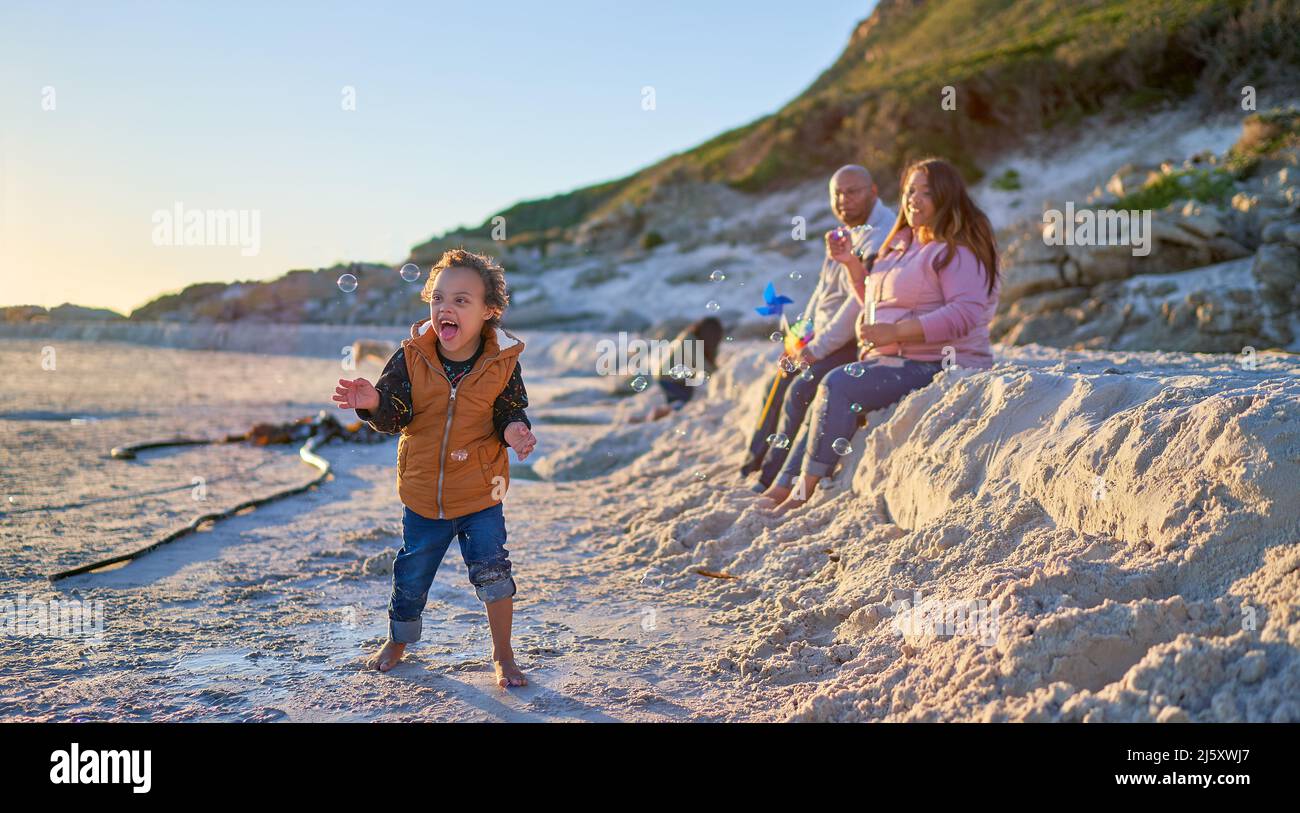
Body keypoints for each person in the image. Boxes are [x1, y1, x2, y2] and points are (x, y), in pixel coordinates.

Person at [332, 248, 537, 688]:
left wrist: (516, 430)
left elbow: (509, 412)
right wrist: (372, 402)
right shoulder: (411, 357)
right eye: (439, 298)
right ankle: (399, 640)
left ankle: (503, 654)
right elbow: (395, 414)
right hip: (424, 495)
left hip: (482, 493)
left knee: (494, 571)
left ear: (489, 312)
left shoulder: (503, 365)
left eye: (462, 301)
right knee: (411, 574)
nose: (447, 308)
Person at [757, 157, 1002, 515]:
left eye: (926, 192)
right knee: (823, 388)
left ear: (947, 197)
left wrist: (896, 331)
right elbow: (872, 300)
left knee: (838, 384)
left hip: (939, 361)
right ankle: (783, 483)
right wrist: (852, 266)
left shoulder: (955, 247)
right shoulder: (902, 243)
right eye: (909, 191)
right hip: (893, 356)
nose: (913, 199)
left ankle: (802, 492)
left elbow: (966, 314)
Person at [740, 165, 895, 488]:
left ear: (873, 192)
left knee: (801, 388)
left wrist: (817, 348)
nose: (843, 200)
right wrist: (799, 336)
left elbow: (857, 304)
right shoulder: (845, 230)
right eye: (837, 193)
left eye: (852, 191)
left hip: (853, 338)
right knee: (780, 378)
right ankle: (754, 464)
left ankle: (771, 477)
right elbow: (821, 292)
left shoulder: (881, 236)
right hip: (824, 335)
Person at [628, 317, 724, 423]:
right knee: (679, 404)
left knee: (678, 402)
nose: (712, 338)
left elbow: (708, 365)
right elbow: (703, 365)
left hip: (673, 378)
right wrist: (721, 374)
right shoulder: (689, 339)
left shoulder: (697, 340)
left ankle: (647, 417)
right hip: (669, 378)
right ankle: (654, 415)